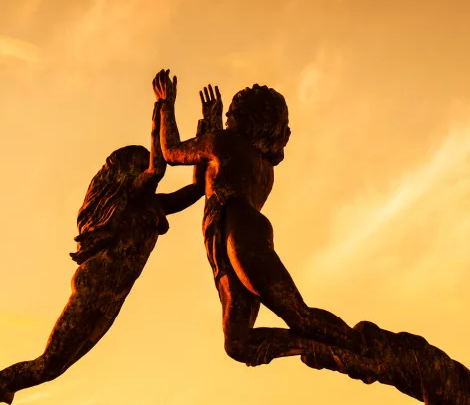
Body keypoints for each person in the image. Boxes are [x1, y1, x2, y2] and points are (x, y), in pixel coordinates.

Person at [152, 69, 363, 366]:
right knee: (238, 343)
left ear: (246, 118)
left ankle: (363, 348)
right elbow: (203, 183)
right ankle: (320, 346)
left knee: (298, 314)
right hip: (236, 235)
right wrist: (209, 123)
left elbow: (171, 152)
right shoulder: (261, 166)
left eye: (231, 115)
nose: (227, 119)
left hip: (241, 235)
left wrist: (166, 104)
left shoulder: (226, 143)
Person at [9, 96, 206, 390]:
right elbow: (157, 169)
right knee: (49, 362)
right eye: (141, 165)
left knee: (52, 368)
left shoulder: (152, 206)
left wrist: (207, 131)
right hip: (97, 284)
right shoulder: (132, 199)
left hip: (113, 297)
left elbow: (196, 190)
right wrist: (164, 108)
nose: (148, 170)